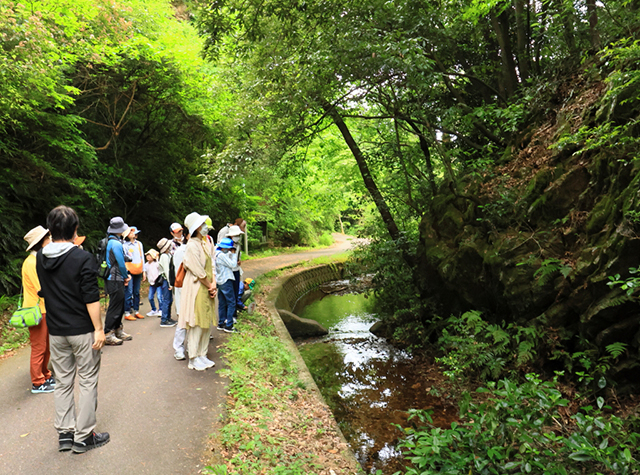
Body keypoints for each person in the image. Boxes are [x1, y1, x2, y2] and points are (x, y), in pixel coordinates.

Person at [36, 205, 109, 453]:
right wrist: (99, 329)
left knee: (63, 381)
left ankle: (65, 434)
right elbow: (91, 297)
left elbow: (46, 291)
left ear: (50, 230)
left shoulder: (40, 257)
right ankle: (84, 436)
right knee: (87, 380)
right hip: (81, 330)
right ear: (75, 230)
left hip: (56, 331)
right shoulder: (82, 258)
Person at [179, 212, 217, 370]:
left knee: (206, 321)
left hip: (207, 286)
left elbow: (212, 265)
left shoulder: (205, 243)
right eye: (202, 225)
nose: (205, 228)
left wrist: (213, 283)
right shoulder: (192, 245)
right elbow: (198, 270)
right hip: (197, 287)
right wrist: (210, 285)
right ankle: (193, 357)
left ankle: (203, 353)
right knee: (196, 322)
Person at [22, 226, 54, 394]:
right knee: (39, 347)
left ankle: (45, 375)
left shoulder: (38, 260)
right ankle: (37, 382)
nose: (50, 241)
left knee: (46, 346)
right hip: (36, 310)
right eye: (48, 238)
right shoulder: (31, 263)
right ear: (41, 242)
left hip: (43, 309)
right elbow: (41, 288)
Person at [104, 217, 132, 345]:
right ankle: (108, 333)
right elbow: (120, 263)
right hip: (114, 278)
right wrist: (126, 275)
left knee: (119, 305)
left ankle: (117, 329)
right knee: (115, 306)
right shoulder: (115, 243)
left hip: (115, 278)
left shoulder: (113, 241)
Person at [172, 227, 189, 360]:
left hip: (192, 289)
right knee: (183, 320)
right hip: (183, 289)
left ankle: (191, 347)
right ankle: (178, 348)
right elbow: (180, 276)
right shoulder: (180, 251)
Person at [215, 237, 238, 333]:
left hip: (219, 280)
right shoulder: (222, 255)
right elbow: (233, 265)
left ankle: (221, 323)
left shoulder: (216, 253)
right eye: (228, 248)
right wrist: (233, 254)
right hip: (226, 280)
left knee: (222, 302)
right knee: (231, 302)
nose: (229, 250)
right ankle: (229, 325)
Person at [123, 226, 144, 320]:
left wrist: (144, 271)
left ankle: (137, 311)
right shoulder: (124, 245)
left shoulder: (139, 244)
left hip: (138, 269)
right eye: (132, 233)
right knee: (129, 291)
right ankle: (127, 312)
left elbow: (142, 257)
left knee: (136, 291)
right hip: (129, 270)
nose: (134, 234)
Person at [157, 238, 178, 327]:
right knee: (167, 299)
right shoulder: (164, 256)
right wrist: (170, 284)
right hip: (166, 280)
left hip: (168, 280)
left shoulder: (168, 255)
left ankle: (168, 317)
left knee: (169, 299)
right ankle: (164, 319)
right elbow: (167, 270)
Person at [226, 225, 245, 319]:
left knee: (236, 291)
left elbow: (238, 256)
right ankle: (230, 316)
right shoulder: (227, 245)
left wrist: (239, 261)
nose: (238, 237)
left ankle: (234, 313)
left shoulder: (238, 245)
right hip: (230, 272)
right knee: (230, 294)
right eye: (236, 235)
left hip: (236, 270)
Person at [144, 249, 162, 317]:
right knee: (150, 297)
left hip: (158, 283)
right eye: (147, 255)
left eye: (150, 255)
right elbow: (144, 271)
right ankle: (153, 309)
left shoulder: (156, 264)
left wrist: (157, 258)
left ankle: (161, 309)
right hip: (151, 283)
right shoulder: (146, 265)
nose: (148, 257)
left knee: (159, 297)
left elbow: (160, 266)